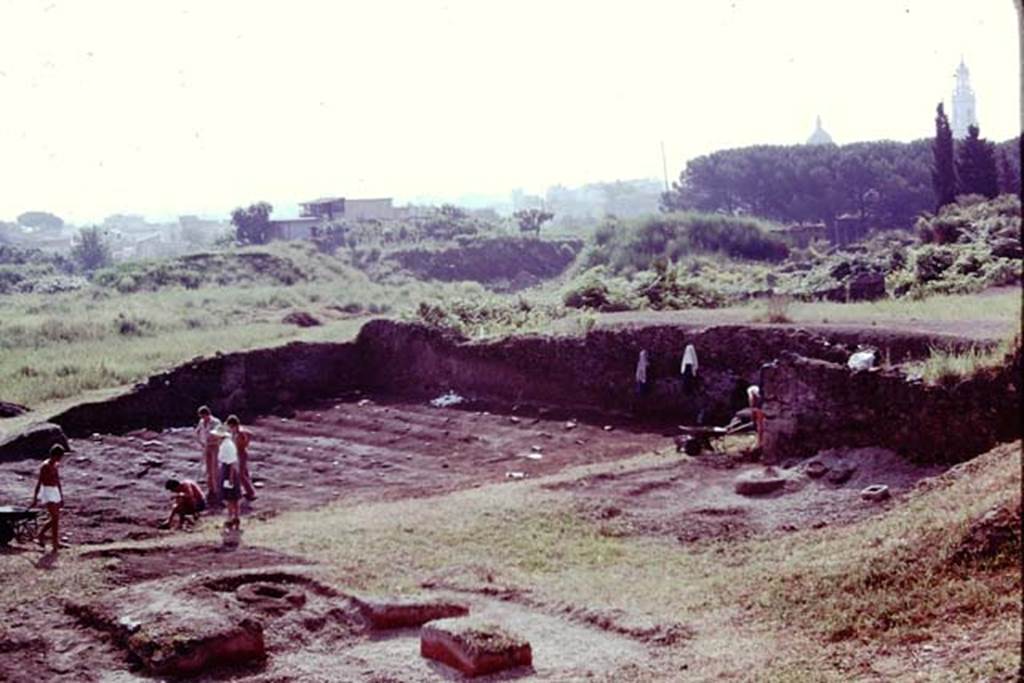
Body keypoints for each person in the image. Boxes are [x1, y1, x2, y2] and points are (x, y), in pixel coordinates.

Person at [31, 444, 66, 552]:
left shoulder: (55, 465)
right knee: (55, 517)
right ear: (54, 455)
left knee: (56, 518)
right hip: (47, 491)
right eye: (59, 457)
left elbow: (58, 480)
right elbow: (39, 482)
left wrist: (61, 495)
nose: (60, 459)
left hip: (55, 491)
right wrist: (35, 498)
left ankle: (42, 536)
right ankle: (54, 544)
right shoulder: (45, 466)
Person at [225, 415, 257, 500]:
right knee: (245, 473)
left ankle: (251, 493)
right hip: (237, 453)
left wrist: (245, 444)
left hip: (241, 453)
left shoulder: (240, 432)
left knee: (241, 474)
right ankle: (249, 491)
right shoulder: (234, 432)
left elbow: (249, 435)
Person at [194, 406, 222, 502]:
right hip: (206, 446)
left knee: (215, 468)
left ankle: (217, 489)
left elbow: (222, 433)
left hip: (215, 446)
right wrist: (200, 441)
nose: (202, 418)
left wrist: (214, 438)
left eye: (203, 416)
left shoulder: (216, 422)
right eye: (201, 416)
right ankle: (211, 488)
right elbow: (197, 431)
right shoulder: (201, 422)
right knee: (208, 468)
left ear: (207, 414)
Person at [216, 429, 242, 529]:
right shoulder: (226, 444)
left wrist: (230, 477)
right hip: (227, 470)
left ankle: (231, 517)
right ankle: (235, 517)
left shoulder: (227, 445)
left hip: (228, 471)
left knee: (230, 496)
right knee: (232, 497)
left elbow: (231, 463)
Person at [747, 384, 766, 450]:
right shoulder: (758, 393)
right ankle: (760, 442)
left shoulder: (752, 393)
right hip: (760, 409)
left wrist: (753, 415)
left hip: (759, 409)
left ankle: (760, 443)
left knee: (760, 427)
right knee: (760, 427)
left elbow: (752, 403)